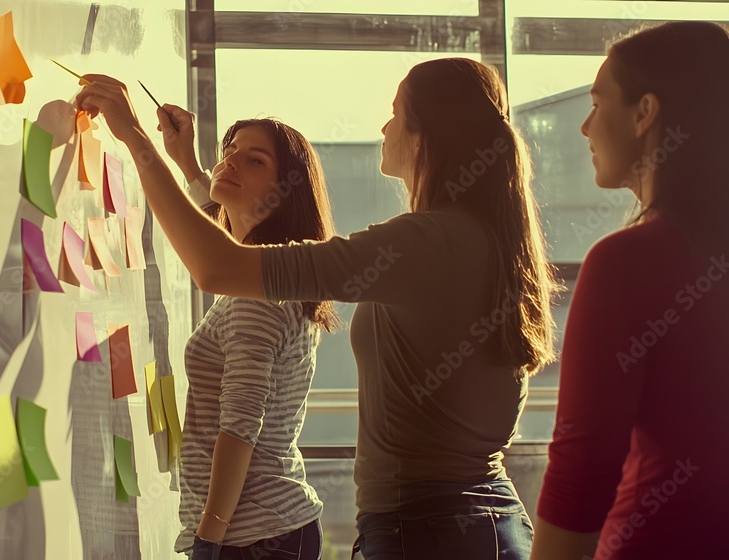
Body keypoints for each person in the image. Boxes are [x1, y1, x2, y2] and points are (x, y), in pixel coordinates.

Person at [75, 56, 558, 559]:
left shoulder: (425, 242)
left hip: (431, 531)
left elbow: (223, 267)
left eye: (396, 113)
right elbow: (244, 246)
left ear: (426, 135)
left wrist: (135, 138)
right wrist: (191, 169)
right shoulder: (471, 237)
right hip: (467, 523)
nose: (384, 126)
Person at [532, 21, 729, 560]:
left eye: (599, 103)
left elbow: (583, 466)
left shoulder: (628, 262)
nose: (586, 127)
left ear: (645, 112)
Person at [162, 115, 338, 559]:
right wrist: (188, 165)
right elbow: (219, 245)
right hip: (261, 532)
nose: (231, 162)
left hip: (255, 539)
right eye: (230, 152)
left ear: (285, 196)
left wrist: (209, 538)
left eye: (254, 160)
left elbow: (240, 425)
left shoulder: (257, 299)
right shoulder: (263, 279)